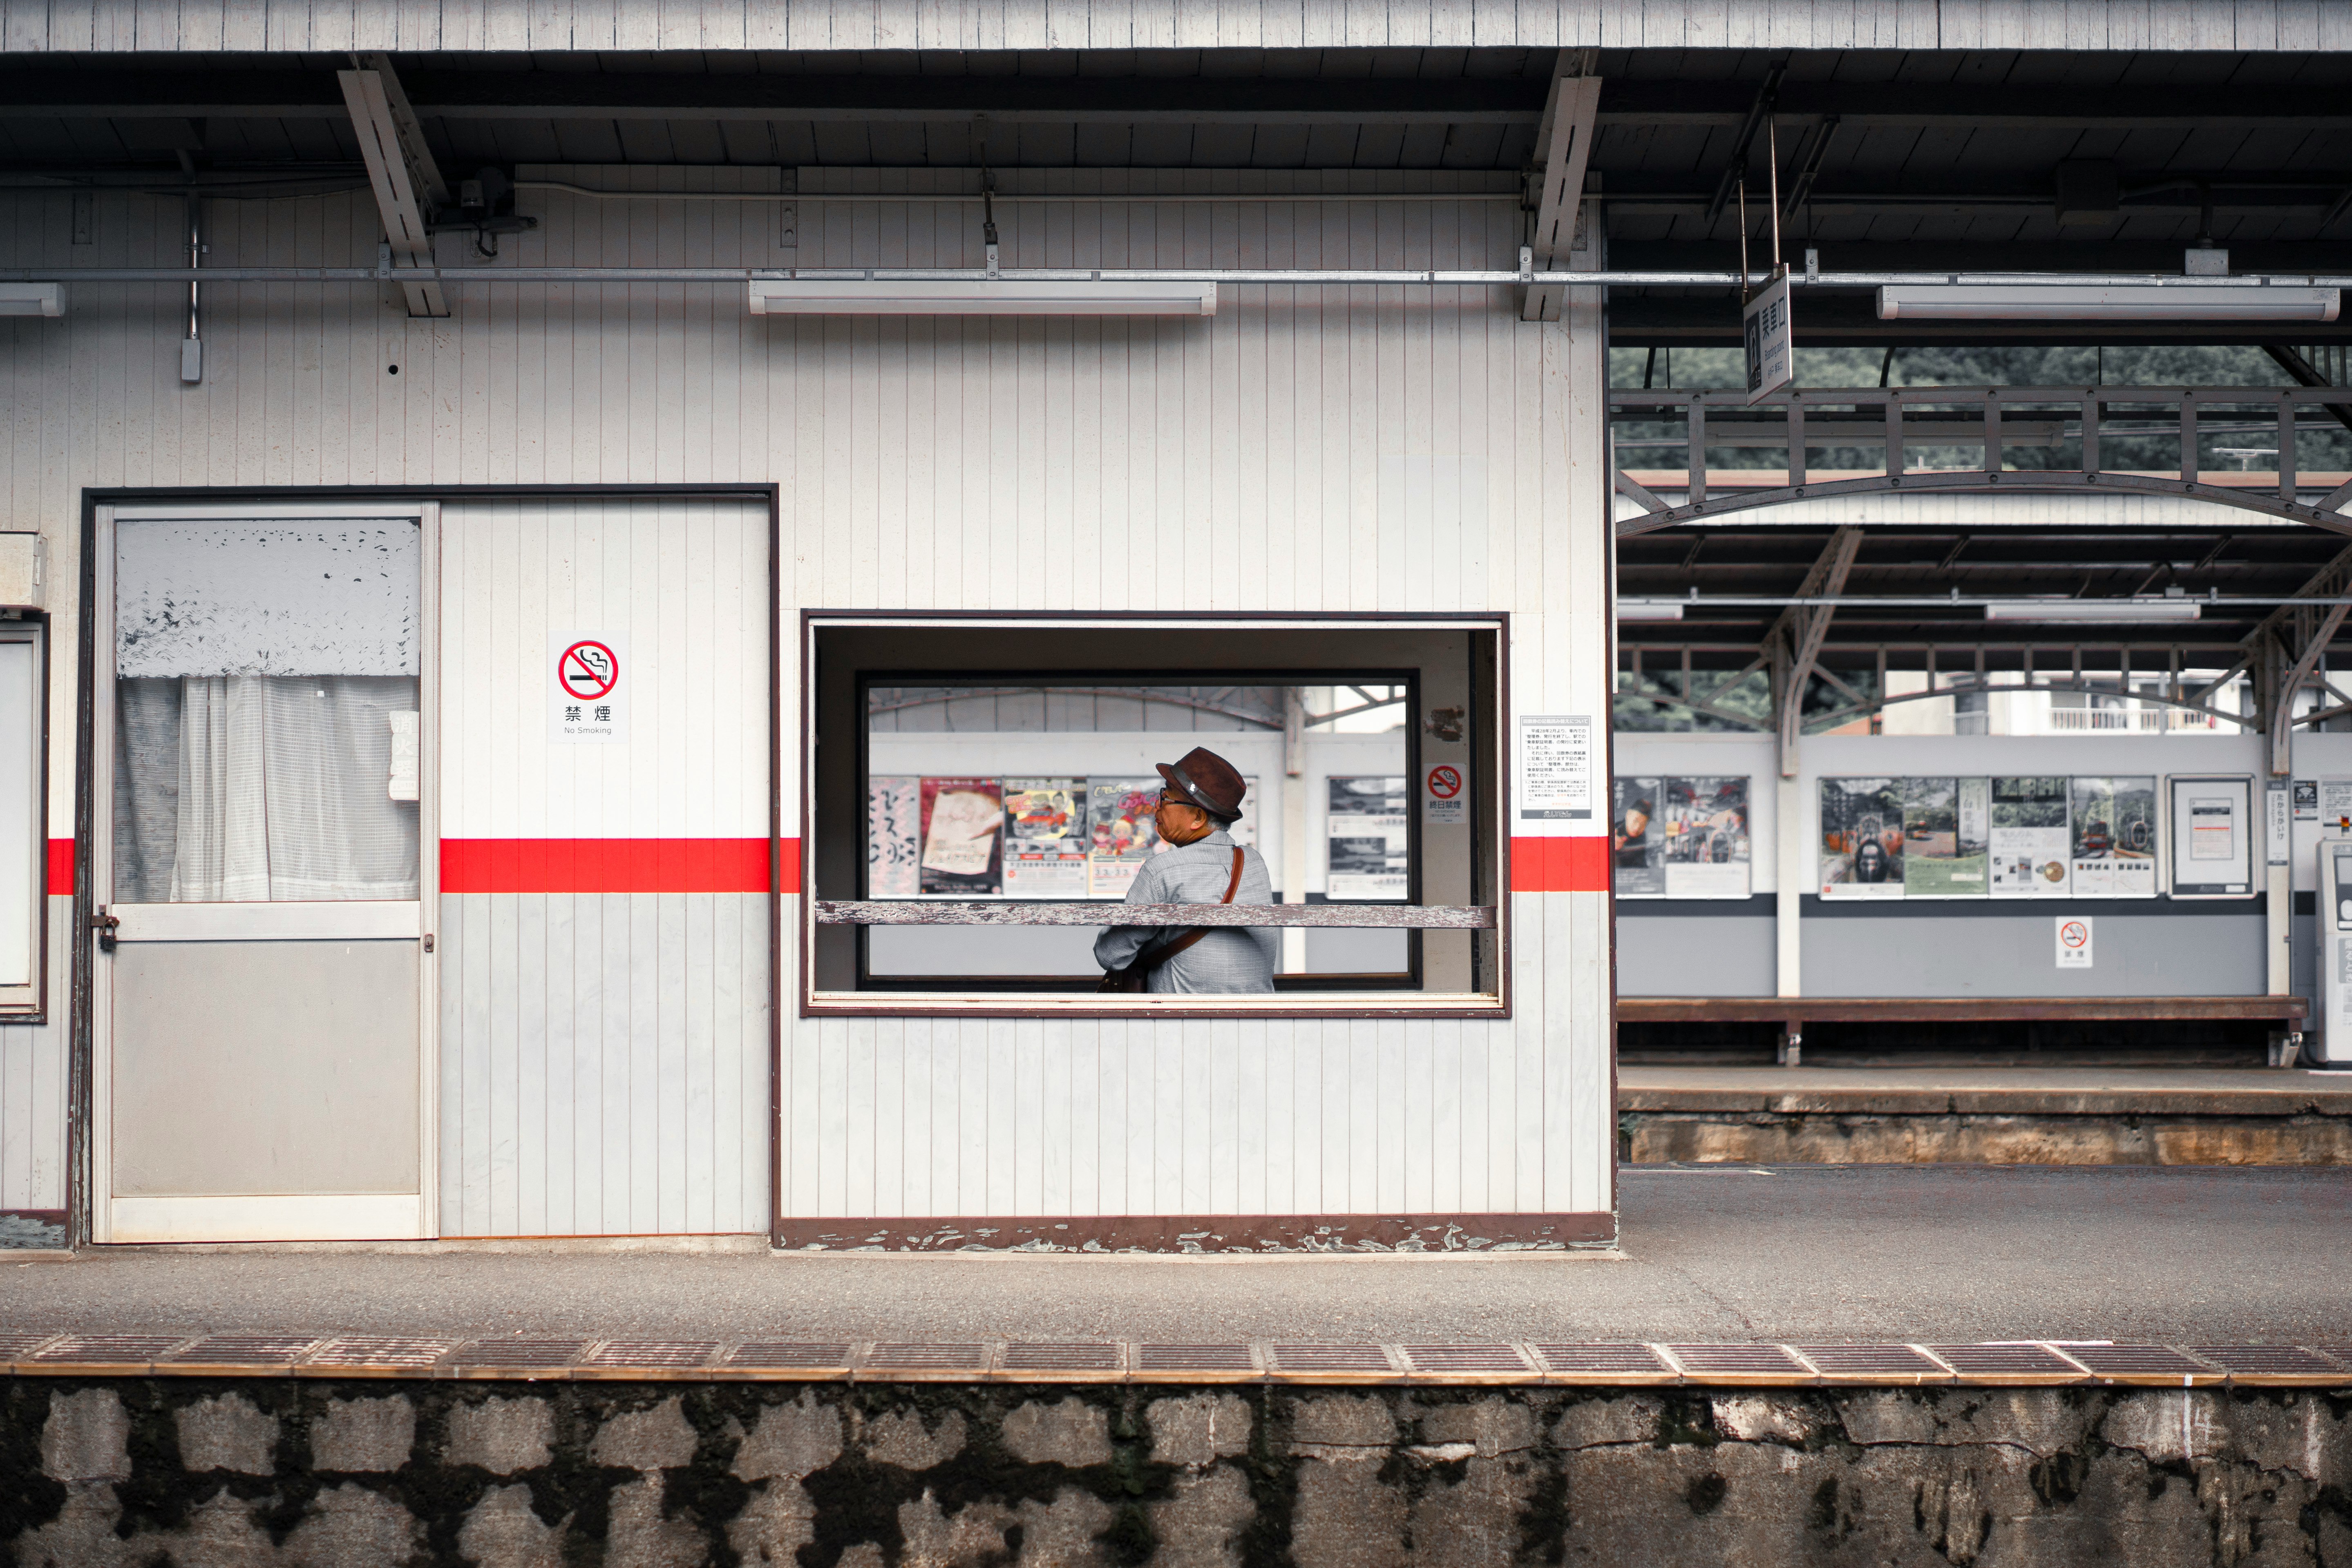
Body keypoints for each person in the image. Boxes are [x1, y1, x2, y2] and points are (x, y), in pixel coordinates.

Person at [1093, 746, 1277, 993]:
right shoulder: (1254, 863)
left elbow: (1111, 955)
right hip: (1259, 1018)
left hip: (1183, 1023)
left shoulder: (1163, 870)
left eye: (1166, 798)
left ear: (1198, 818)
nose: (1157, 807)